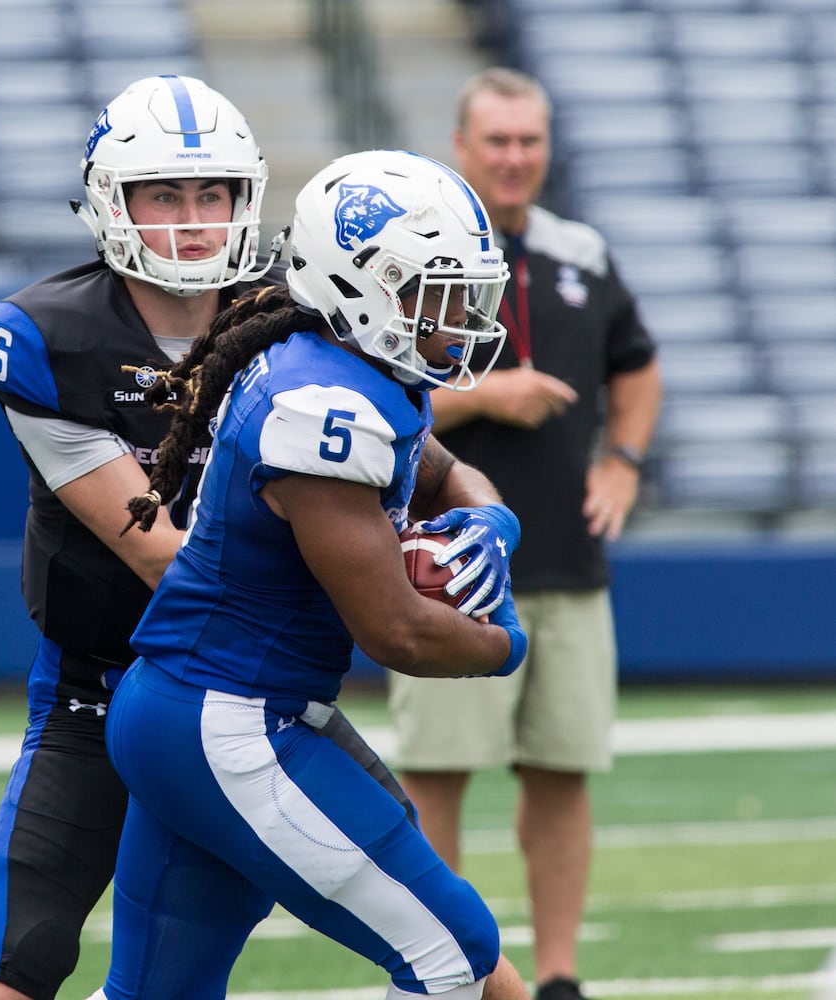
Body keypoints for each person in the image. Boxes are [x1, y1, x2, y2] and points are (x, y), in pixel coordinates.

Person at [86, 149, 532, 1000]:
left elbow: (445, 473)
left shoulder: (347, 362)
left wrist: (492, 519)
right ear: (361, 286)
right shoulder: (321, 411)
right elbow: (394, 629)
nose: (457, 316)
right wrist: (506, 643)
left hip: (192, 709)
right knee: (452, 955)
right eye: (433, 292)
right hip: (230, 721)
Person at [0, 74, 292, 1000]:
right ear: (110, 203)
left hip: (253, 700)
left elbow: (423, 466)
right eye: (163, 194)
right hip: (100, 691)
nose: (191, 219)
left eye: (211, 192)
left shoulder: (298, 321)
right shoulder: (49, 336)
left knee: (461, 947)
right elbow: (160, 552)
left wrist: (472, 518)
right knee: (8, 974)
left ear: (243, 199)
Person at [387, 68, 663, 1000]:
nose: (514, 158)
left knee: (562, 770)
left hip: (568, 565)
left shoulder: (582, 251)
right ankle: (442, 972)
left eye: (529, 140)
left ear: (547, 147)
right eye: (496, 140)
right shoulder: (408, 250)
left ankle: (556, 978)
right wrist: (485, 394)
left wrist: (623, 459)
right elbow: (375, 399)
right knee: (438, 775)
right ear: (460, 146)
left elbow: (639, 365)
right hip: (445, 563)